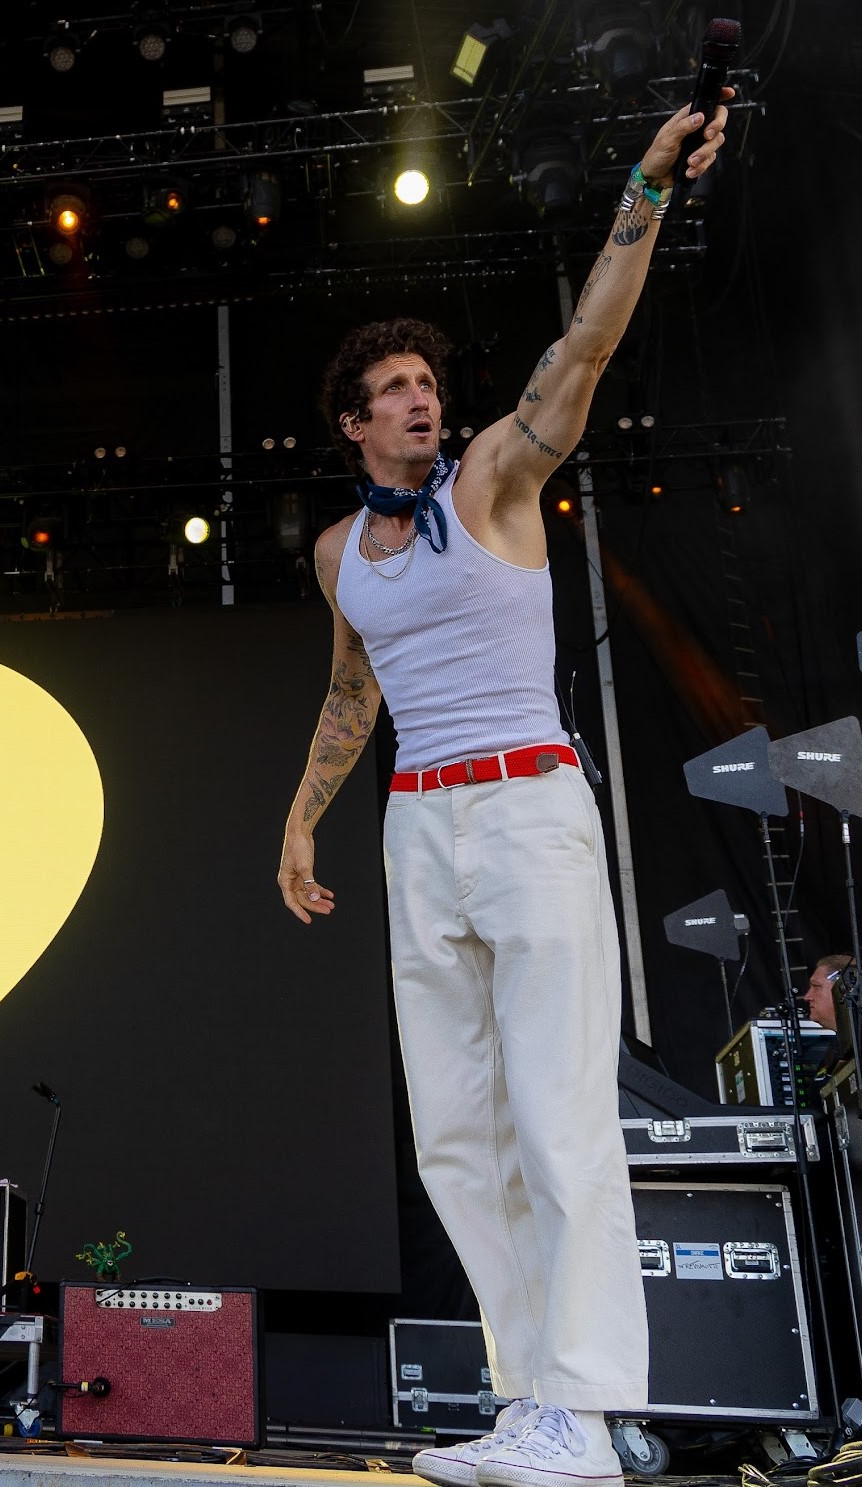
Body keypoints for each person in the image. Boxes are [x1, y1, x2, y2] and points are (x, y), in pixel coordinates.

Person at [276, 99, 729, 1487]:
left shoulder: (494, 475)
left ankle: (587, 1409)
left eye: (427, 379)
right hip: (421, 825)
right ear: (354, 423)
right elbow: (353, 695)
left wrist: (643, 190)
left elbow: (583, 341)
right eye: (394, 389)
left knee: (557, 1111)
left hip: (530, 806)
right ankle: (530, 1396)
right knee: (458, 1133)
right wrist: (299, 817)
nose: (421, 396)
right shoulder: (337, 550)